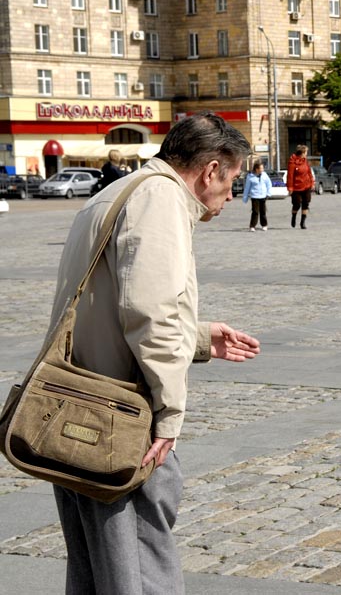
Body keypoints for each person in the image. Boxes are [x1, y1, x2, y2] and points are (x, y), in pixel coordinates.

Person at [46, 111, 261, 594]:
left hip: (79, 406)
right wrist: (169, 414)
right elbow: (149, 312)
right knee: (138, 566)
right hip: (119, 418)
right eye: (232, 182)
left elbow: (120, 303)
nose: (232, 196)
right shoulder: (160, 199)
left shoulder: (119, 191)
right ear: (210, 170)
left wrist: (200, 338)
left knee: (96, 569)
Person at [287, 144, 314, 229]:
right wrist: (290, 188)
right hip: (296, 187)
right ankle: (294, 216)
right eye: (306, 152)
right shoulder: (292, 162)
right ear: (302, 152)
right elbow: (290, 176)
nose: (306, 154)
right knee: (297, 204)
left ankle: (303, 222)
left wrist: (312, 183)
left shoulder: (305, 161)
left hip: (306, 186)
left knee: (306, 203)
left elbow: (309, 173)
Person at [242, 160, 272, 231]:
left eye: (262, 168)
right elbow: (247, 187)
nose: (262, 170)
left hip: (263, 196)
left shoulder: (265, 175)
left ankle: (264, 225)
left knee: (263, 211)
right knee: (255, 212)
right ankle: (252, 226)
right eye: (260, 168)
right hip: (255, 196)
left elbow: (269, 184)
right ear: (256, 169)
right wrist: (245, 197)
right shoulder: (250, 176)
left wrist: (268, 193)